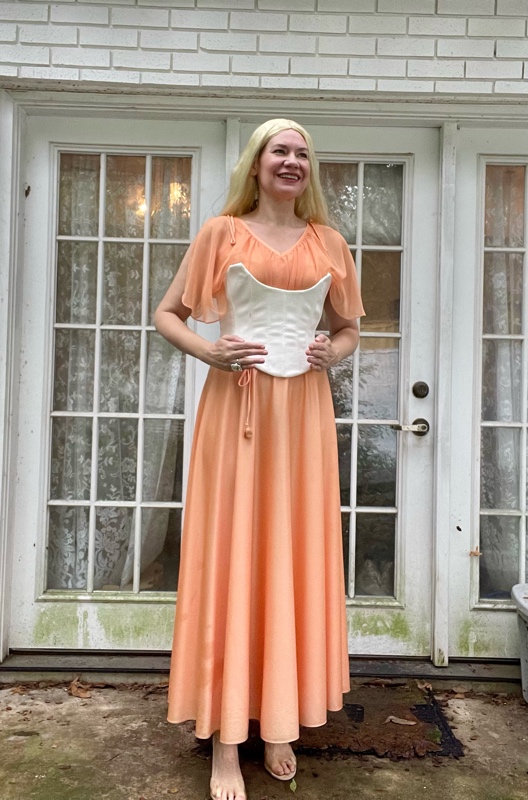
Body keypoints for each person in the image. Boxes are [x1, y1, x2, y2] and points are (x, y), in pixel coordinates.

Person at [154, 118, 365, 800]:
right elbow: (169, 314)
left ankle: (278, 721)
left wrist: (331, 353)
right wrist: (210, 350)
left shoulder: (330, 242)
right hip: (235, 412)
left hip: (302, 417)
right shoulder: (221, 232)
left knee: (290, 557)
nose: (293, 161)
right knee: (233, 557)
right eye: (282, 150)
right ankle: (225, 742)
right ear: (257, 161)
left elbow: (349, 327)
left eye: (304, 152)